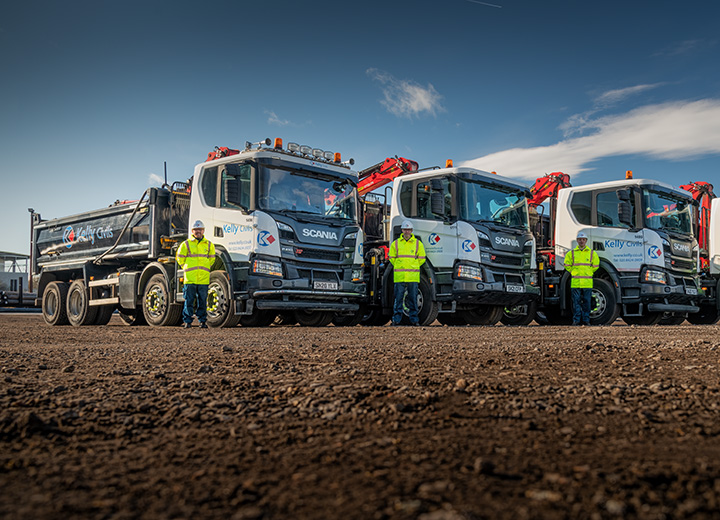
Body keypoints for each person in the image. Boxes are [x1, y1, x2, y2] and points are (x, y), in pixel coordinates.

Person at [176, 220, 216, 328]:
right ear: (192, 231)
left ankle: (202, 321)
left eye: (200, 229)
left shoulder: (209, 244)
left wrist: (206, 268)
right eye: (196, 230)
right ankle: (187, 321)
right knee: (189, 301)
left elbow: (212, 259)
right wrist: (185, 267)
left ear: (203, 231)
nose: (198, 231)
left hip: (203, 278)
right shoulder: (186, 244)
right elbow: (180, 258)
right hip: (190, 278)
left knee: (203, 301)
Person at [388, 220, 426, 326]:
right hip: (400, 276)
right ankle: (396, 320)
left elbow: (422, 258)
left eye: (409, 230)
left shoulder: (418, 244)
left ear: (412, 230)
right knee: (398, 299)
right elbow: (391, 257)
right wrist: (400, 265)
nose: (407, 232)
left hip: (412, 276)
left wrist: (413, 266)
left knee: (412, 299)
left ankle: (414, 320)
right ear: (402, 230)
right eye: (405, 229)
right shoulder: (396, 243)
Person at [564, 231, 599, 326]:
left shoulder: (592, 253)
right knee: (576, 303)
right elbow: (566, 264)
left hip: (587, 282)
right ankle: (576, 320)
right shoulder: (571, 253)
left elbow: (596, 265)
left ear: (586, 241)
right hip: (576, 282)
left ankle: (586, 320)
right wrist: (573, 271)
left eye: (583, 239)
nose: (581, 241)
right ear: (577, 241)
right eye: (580, 239)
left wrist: (590, 272)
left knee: (587, 303)